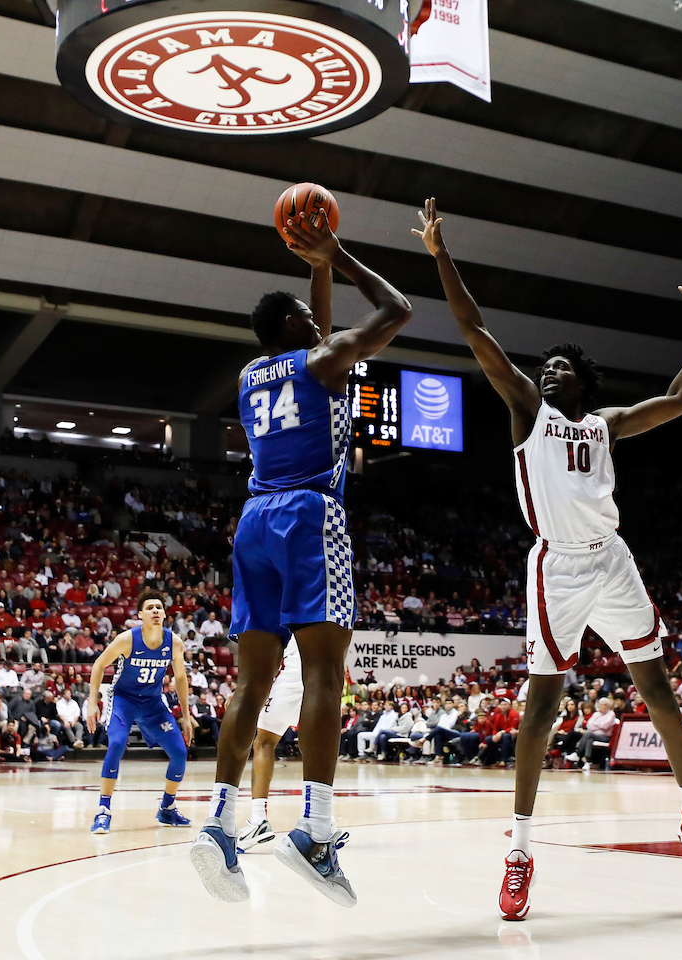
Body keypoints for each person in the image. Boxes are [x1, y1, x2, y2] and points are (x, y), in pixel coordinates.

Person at [414, 198, 682, 920]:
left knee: (657, 691)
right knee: (541, 710)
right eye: (547, 366)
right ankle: (520, 852)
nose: (550, 371)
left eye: (562, 367)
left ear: (585, 382)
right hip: (556, 567)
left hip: (613, 561)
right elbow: (474, 330)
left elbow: (680, 399)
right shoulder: (528, 411)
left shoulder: (607, 424)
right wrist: (441, 256)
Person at [190, 203, 410, 908]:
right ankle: (314, 830)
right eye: (311, 318)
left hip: (253, 520)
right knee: (324, 674)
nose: (322, 323)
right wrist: (337, 255)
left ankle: (219, 822)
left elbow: (317, 334)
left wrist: (316, 272)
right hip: (310, 516)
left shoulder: (251, 375)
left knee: (250, 685)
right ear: (293, 326)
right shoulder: (323, 359)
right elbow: (398, 310)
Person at [86, 589, 193, 833]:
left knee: (179, 752)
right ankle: (103, 810)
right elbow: (99, 665)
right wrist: (92, 703)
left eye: (159, 607)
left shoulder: (174, 642)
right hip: (123, 699)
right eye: (149, 607)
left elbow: (180, 679)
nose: (155, 610)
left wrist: (186, 717)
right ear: (140, 615)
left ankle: (167, 808)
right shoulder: (127, 639)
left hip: (153, 702)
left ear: (164, 614)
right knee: (116, 744)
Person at [237, 643, 303, 853]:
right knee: (314, 744)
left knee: (264, 742)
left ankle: (258, 820)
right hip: (325, 674)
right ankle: (322, 820)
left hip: (294, 671)